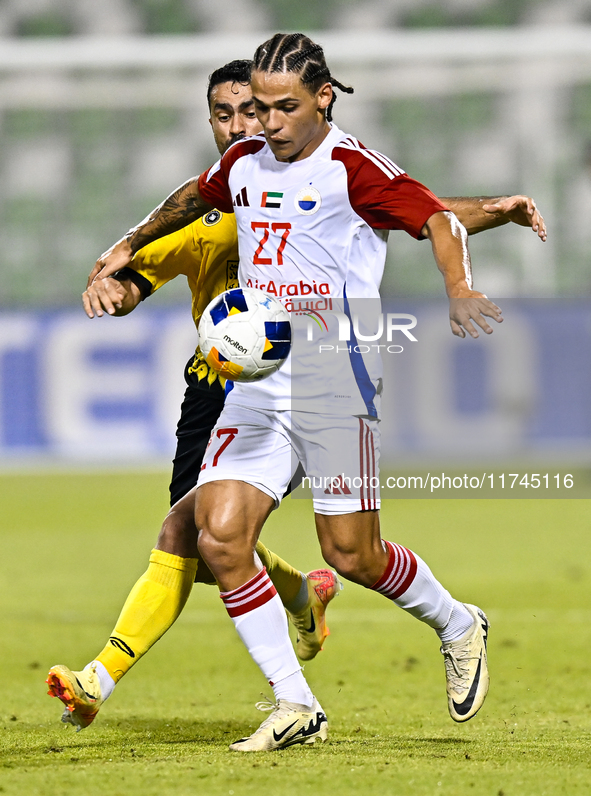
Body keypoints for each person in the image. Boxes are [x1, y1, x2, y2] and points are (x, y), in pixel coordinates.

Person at [58, 40, 547, 749]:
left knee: (352, 556)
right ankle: (294, 703)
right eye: (258, 107)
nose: (269, 121)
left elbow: (435, 219)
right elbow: (195, 194)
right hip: (256, 378)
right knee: (218, 536)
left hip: (334, 376)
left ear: (323, 97)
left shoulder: (352, 169)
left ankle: (455, 621)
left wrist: (460, 286)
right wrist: (125, 244)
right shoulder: (243, 163)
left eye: (285, 106)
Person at [45, 60, 343, 733]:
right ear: (211, 120)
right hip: (213, 393)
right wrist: (111, 290)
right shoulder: (203, 214)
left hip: (295, 392)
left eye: (250, 110)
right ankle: (301, 590)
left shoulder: (313, 189)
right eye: (223, 113)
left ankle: (99, 677)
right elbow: (135, 282)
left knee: (192, 535)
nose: (239, 125)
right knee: (210, 546)